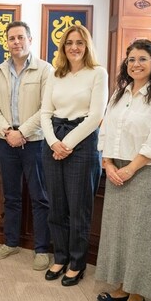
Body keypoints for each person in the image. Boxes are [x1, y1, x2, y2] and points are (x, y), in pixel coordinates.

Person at [94, 39, 151, 301]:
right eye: (131, 59)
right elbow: (105, 130)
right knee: (118, 230)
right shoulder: (120, 93)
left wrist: (131, 168)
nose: (136, 64)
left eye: (142, 59)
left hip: (148, 170)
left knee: (142, 234)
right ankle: (121, 285)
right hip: (117, 168)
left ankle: (138, 293)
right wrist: (107, 163)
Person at [40, 25, 108, 286]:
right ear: (63, 47)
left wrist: (66, 144)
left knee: (78, 209)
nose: (74, 47)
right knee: (56, 206)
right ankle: (60, 256)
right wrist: (54, 142)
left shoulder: (97, 73)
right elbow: (45, 112)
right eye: (69, 43)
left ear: (87, 45)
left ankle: (77, 263)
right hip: (54, 140)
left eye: (79, 42)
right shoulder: (56, 74)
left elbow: (96, 116)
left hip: (82, 142)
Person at [0, 21, 52, 270]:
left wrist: (22, 131)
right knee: (11, 196)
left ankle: (42, 249)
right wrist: (7, 131)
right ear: (7, 42)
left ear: (30, 40)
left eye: (21, 37)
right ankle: (10, 242)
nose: (16, 42)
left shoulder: (45, 70)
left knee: (39, 197)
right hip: (6, 141)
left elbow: (46, 108)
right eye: (12, 38)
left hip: (34, 142)